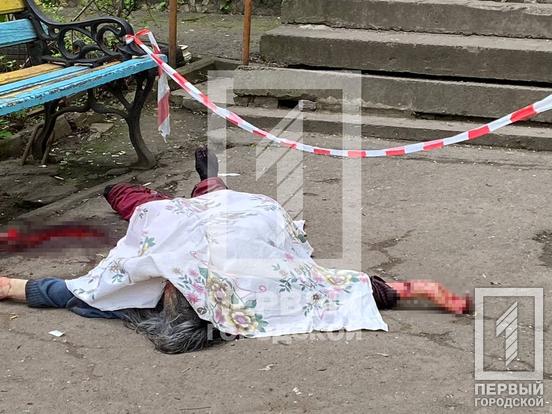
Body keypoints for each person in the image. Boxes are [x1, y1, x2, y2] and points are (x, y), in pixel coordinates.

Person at [0, 148, 471, 354]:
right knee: (221, 204)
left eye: (172, 293)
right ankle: (208, 178)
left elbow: (66, 292)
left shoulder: (139, 298)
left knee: (144, 207)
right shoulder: (259, 296)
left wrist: (8, 286)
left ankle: (133, 188)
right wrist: (426, 290)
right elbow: (346, 289)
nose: (170, 288)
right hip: (241, 224)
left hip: (179, 225)